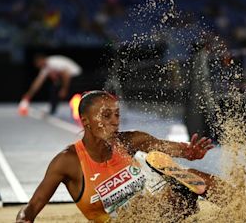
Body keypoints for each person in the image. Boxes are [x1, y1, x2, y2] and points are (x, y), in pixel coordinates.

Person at [16, 90, 221, 223]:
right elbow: (31, 208)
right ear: (86, 122)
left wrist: (190, 152)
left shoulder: (132, 140)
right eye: (106, 116)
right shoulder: (67, 162)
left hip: (162, 214)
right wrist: (24, 219)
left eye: (117, 115)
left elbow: (179, 149)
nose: (115, 122)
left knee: (191, 176)